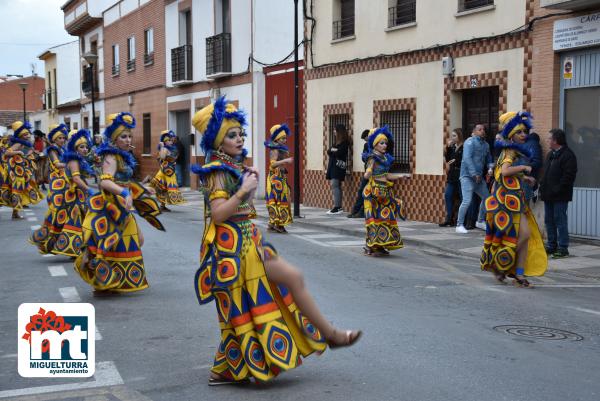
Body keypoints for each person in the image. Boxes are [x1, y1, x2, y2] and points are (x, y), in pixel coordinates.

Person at [191, 97, 361, 385]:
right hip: (234, 252)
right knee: (243, 309)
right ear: (218, 142)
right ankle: (223, 368)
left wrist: (245, 185)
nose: (239, 138)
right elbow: (219, 215)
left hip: (251, 244)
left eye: (240, 133)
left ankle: (331, 335)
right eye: (232, 135)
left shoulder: (230, 165)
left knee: (293, 279)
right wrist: (243, 190)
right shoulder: (217, 170)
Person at [74, 112, 164, 295]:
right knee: (114, 242)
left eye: (130, 135)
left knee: (130, 240)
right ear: (115, 138)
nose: (128, 139)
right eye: (124, 136)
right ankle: (101, 280)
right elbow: (105, 182)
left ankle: (108, 279)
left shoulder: (122, 156)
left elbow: (125, 180)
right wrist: (124, 192)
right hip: (111, 206)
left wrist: (143, 189)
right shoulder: (111, 157)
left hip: (121, 205)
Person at [481, 111, 547, 287]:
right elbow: (504, 171)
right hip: (507, 204)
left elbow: (502, 174)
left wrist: (524, 178)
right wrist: (524, 168)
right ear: (511, 134)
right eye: (520, 132)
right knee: (524, 235)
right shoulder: (509, 150)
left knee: (525, 236)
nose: (524, 135)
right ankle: (501, 266)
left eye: (525, 132)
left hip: (515, 201)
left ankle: (518, 273)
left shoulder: (512, 150)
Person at [362, 126, 406, 256]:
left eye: (386, 143)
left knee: (385, 218)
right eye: (382, 143)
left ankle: (381, 245)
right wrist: (368, 172)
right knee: (374, 220)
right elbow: (369, 169)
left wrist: (400, 176)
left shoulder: (386, 159)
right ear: (375, 145)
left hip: (385, 192)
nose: (384, 145)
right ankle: (370, 245)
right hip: (373, 193)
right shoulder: (372, 158)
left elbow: (387, 175)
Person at [51, 129, 96, 257]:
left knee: (82, 219)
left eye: (86, 147)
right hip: (74, 195)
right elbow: (76, 179)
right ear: (76, 149)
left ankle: (80, 247)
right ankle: (73, 249)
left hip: (79, 193)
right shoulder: (74, 160)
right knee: (76, 220)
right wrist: (89, 190)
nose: (85, 149)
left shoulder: (80, 159)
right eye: (82, 147)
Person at [30, 124, 69, 254]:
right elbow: (57, 164)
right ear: (55, 139)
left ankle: (66, 245)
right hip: (57, 186)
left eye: (64, 137)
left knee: (67, 216)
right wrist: (73, 163)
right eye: (60, 138)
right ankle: (50, 243)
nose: (62, 140)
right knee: (58, 215)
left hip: (65, 183)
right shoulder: (53, 150)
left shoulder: (62, 149)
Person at [539, 128, 578, 259]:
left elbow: (569, 177)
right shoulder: (550, 154)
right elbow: (546, 174)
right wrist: (542, 188)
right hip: (548, 194)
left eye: (549, 138)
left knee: (560, 220)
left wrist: (557, 189)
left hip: (560, 196)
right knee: (549, 221)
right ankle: (551, 245)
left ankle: (563, 248)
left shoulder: (568, 155)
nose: (547, 141)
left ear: (555, 140)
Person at [0, 121, 43, 219]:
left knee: (17, 190)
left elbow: (30, 149)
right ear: (21, 135)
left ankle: (15, 213)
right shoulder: (18, 143)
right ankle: (15, 213)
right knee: (16, 190)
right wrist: (18, 152)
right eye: (26, 134)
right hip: (15, 171)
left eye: (28, 133)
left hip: (18, 170)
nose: (28, 135)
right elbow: (7, 153)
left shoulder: (21, 143)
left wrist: (28, 154)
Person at [456, 124, 493, 233]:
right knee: (467, 200)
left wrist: (490, 168)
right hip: (467, 176)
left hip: (479, 177)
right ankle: (459, 225)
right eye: (479, 129)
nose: (482, 131)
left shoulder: (486, 145)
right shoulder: (469, 142)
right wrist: (474, 174)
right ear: (474, 131)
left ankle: (480, 221)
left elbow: (489, 158)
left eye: (483, 130)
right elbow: (467, 158)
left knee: (487, 198)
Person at [264, 123, 293, 233]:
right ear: (277, 138)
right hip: (275, 179)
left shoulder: (280, 149)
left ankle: (273, 224)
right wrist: (286, 161)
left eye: (285, 138)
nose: (285, 140)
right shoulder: (274, 150)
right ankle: (278, 225)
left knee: (280, 200)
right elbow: (272, 164)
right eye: (283, 138)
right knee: (278, 201)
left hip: (280, 178)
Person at [150, 129, 186, 211]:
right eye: (169, 140)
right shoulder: (165, 148)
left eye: (171, 139)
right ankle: (161, 204)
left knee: (166, 188)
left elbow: (174, 157)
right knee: (162, 187)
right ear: (165, 142)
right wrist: (162, 147)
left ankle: (163, 205)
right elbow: (162, 157)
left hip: (170, 170)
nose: (171, 141)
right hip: (165, 171)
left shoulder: (173, 148)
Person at [439, 128, 464, 226]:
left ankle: (461, 220)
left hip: (461, 175)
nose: (452, 138)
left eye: (454, 136)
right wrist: (447, 148)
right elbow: (448, 160)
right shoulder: (452, 147)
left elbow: (462, 160)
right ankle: (449, 219)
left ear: (459, 136)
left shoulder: (464, 147)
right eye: (452, 136)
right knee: (448, 195)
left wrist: (454, 162)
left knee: (462, 198)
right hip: (452, 175)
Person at [325, 124, 349, 215]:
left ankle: (337, 207)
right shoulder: (337, 142)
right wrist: (333, 150)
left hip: (338, 167)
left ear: (340, 132)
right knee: (335, 185)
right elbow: (328, 151)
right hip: (333, 166)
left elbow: (340, 153)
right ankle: (337, 206)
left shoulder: (344, 143)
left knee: (334, 184)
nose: (334, 132)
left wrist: (333, 151)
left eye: (335, 130)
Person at [348, 129, 370, 218]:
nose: (366, 141)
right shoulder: (366, 145)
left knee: (368, 193)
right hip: (367, 172)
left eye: (366, 138)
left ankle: (362, 212)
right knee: (361, 191)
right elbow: (363, 158)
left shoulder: (378, 144)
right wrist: (367, 157)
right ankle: (355, 210)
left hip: (376, 174)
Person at [522, 131, 543, 203]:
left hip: (523, 177)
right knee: (531, 201)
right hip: (531, 176)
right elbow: (538, 162)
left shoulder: (524, 144)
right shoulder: (536, 145)